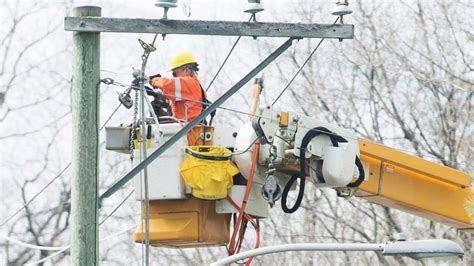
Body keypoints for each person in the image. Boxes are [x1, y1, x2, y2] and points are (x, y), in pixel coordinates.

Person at [149, 51, 208, 122]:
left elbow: (167, 84)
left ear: (186, 70)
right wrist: (160, 112)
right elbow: (177, 117)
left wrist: (154, 80)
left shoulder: (189, 83)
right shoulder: (190, 87)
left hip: (188, 130)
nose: (173, 76)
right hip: (185, 128)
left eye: (175, 73)